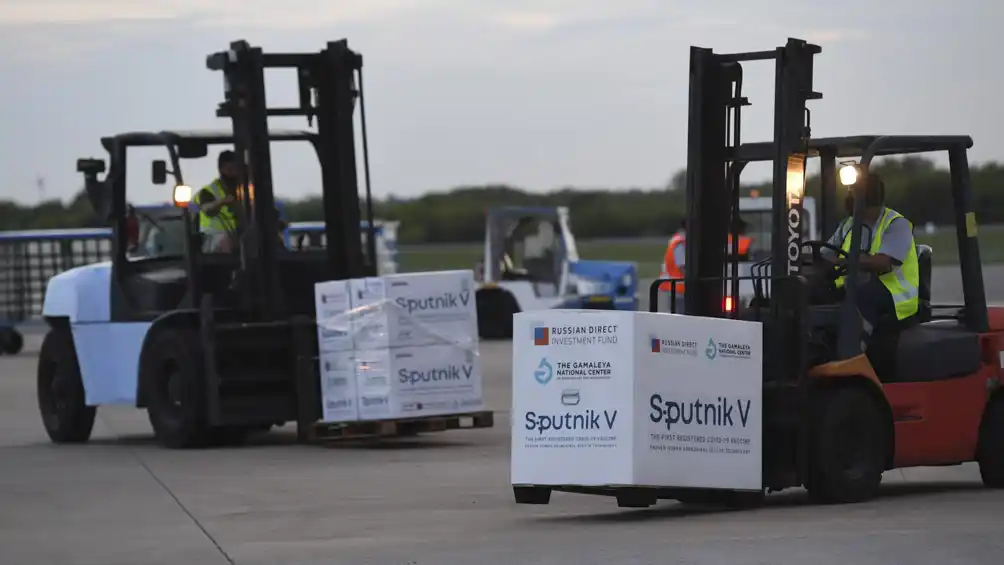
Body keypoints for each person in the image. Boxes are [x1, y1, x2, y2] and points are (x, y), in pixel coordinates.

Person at [822, 171, 919, 351]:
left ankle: (853, 354)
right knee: (813, 293)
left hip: (895, 294)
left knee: (862, 296)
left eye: (854, 194)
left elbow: (883, 262)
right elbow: (826, 253)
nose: (850, 199)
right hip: (856, 285)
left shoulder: (896, 224)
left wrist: (846, 261)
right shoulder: (849, 224)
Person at [196, 150, 241, 252]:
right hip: (211, 238)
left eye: (235, 169)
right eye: (230, 169)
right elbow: (206, 208)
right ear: (221, 169)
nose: (233, 173)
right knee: (227, 240)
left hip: (238, 235)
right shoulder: (208, 191)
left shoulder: (244, 190)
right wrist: (221, 202)